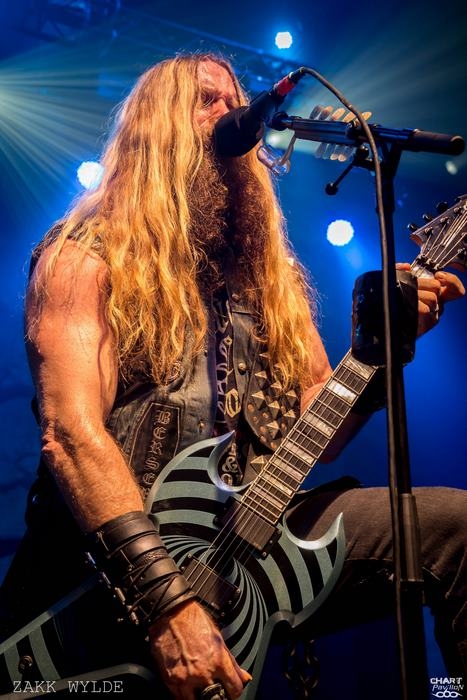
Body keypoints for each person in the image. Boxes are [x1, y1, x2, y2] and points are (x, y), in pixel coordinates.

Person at [0, 52, 465, 700]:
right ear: (156, 127)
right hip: (106, 581)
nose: (230, 114)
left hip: (250, 539)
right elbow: (71, 436)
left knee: (455, 529)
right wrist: (166, 603)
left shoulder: (270, 278)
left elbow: (320, 431)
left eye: (235, 101)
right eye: (206, 100)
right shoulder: (85, 255)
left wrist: (380, 348)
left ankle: (451, 692)